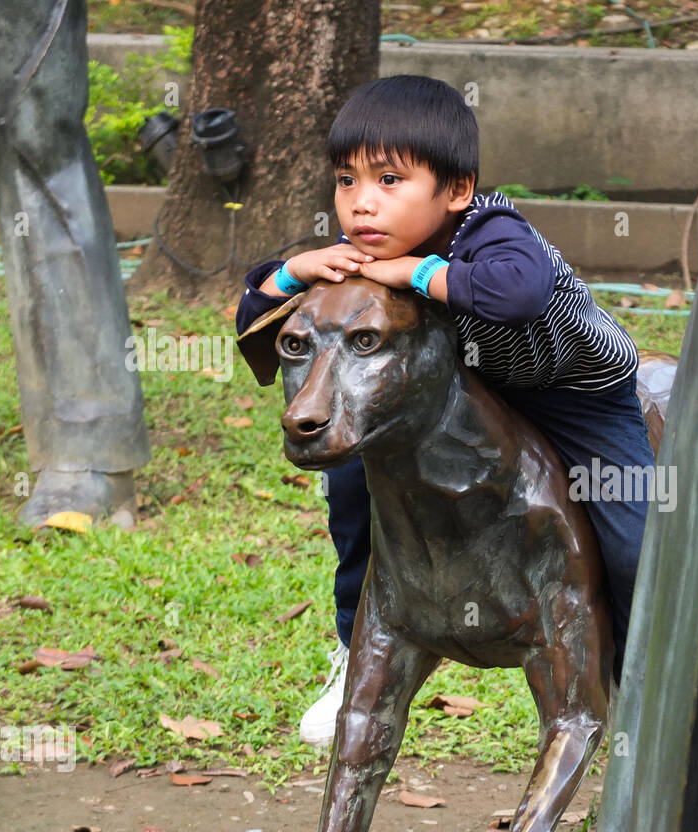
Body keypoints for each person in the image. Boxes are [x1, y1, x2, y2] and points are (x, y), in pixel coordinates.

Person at [235, 75, 653, 745]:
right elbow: (253, 315)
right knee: (350, 477)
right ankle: (354, 651)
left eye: (389, 180)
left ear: (457, 189)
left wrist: (416, 275)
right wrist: (293, 270)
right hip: (475, 400)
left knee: (632, 539)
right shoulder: (362, 255)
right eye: (347, 180)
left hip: (577, 399)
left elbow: (517, 292)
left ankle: (641, 679)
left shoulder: (490, 231)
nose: (362, 204)